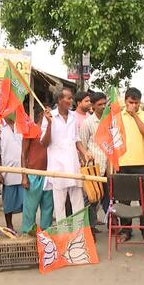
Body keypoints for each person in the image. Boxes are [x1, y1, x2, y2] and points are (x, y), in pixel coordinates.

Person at [41, 88, 88, 223]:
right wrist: (49, 124)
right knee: (60, 207)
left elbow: (76, 139)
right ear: (59, 100)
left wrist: (85, 153)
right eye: (68, 98)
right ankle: (62, 237)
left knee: (78, 205)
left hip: (73, 166)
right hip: (58, 168)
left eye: (71, 98)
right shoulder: (49, 117)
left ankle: (79, 235)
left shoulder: (73, 117)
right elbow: (44, 143)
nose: (71, 101)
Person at [117, 87, 144, 242]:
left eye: (136, 103)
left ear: (140, 103)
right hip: (122, 163)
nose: (133, 105)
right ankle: (126, 231)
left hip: (142, 163)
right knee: (124, 200)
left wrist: (134, 116)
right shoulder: (117, 116)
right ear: (125, 101)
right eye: (130, 102)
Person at [21, 110, 53, 234]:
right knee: (30, 208)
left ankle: (46, 235)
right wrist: (24, 176)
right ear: (41, 114)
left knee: (48, 208)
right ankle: (27, 235)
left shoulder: (52, 130)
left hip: (49, 174)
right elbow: (23, 153)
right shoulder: (30, 129)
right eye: (48, 113)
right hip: (33, 174)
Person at [80, 91, 109, 230]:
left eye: (105, 103)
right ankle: (89, 228)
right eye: (100, 104)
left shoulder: (109, 120)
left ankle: (113, 227)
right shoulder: (87, 123)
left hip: (107, 167)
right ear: (93, 105)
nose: (103, 106)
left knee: (108, 198)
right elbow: (83, 146)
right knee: (91, 199)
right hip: (93, 168)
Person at [0, 117, 23, 231]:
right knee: (8, 202)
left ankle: (25, 226)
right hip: (7, 171)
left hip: (22, 170)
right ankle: (9, 225)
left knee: (26, 201)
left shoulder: (21, 125)